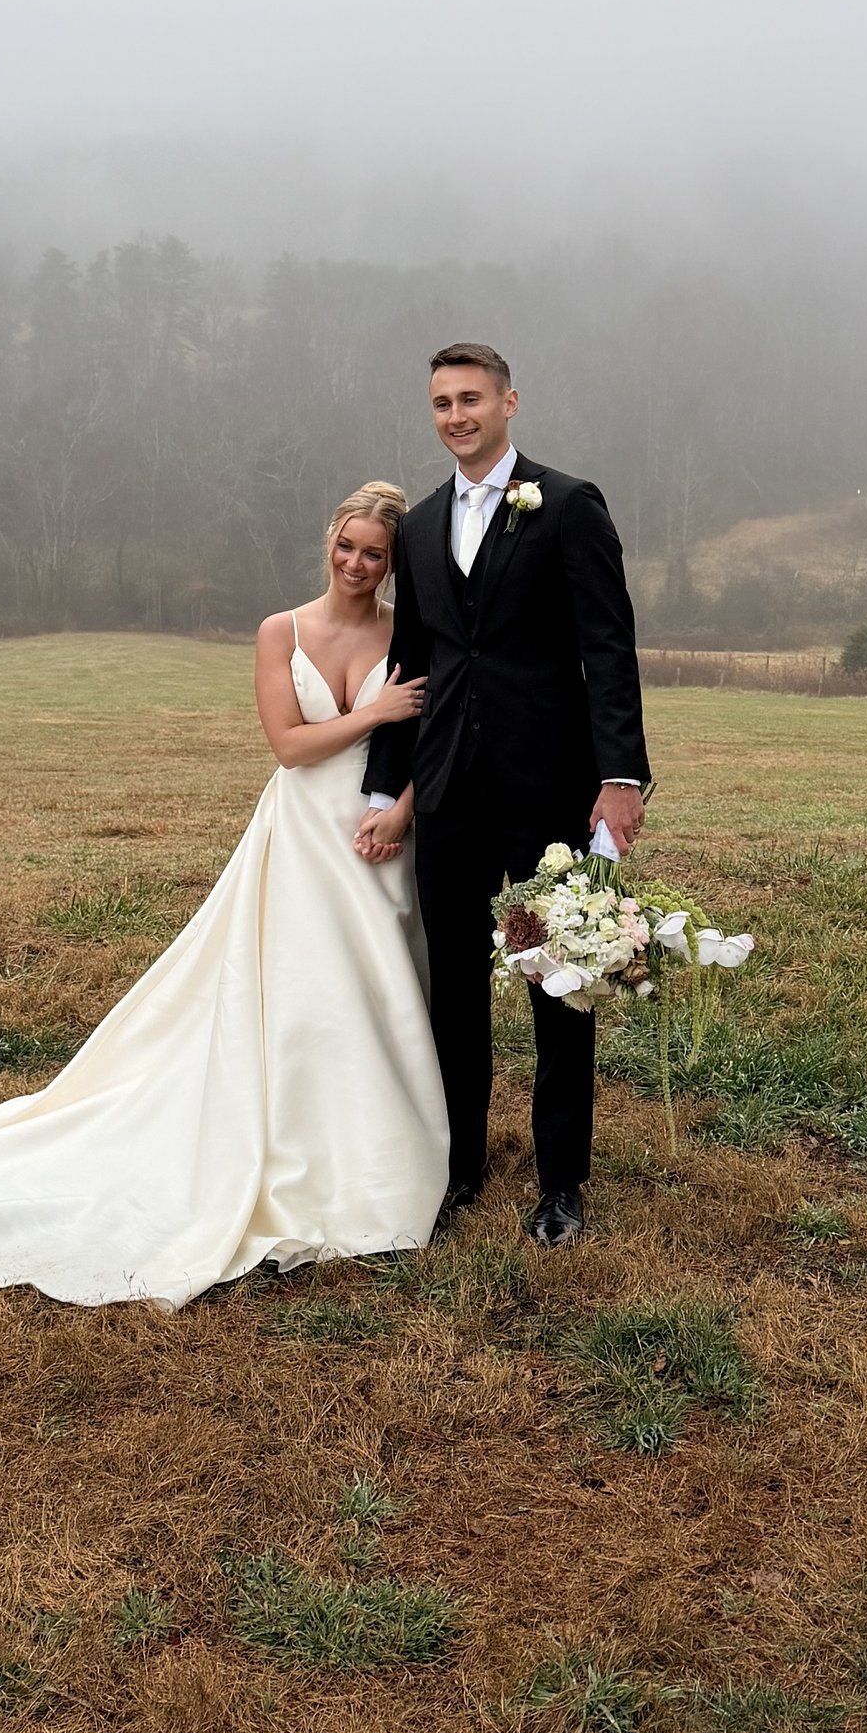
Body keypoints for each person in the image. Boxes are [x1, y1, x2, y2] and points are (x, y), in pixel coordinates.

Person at [0, 485, 446, 1308]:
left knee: (374, 990)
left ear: (394, 563)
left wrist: (402, 814)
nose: (355, 563)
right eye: (346, 546)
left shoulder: (407, 634)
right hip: (304, 832)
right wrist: (374, 709)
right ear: (329, 543)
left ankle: (371, 1152)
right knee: (297, 990)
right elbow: (287, 745)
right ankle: (282, 1148)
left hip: (381, 833)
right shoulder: (281, 630)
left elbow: (432, 739)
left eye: (373, 553)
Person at [356, 342, 649, 1248]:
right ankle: (462, 1168)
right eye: (441, 402)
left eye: (471, 398)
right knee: (455, 990)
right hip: (448, 793)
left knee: (558, 982)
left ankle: (562, 1183)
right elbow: (414, 662)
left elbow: (608, 645)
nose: (456, 416)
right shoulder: (420, 525)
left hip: (549, 791)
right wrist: (383, 784)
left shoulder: (567, 505)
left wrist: (620, 777)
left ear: (509, 402)